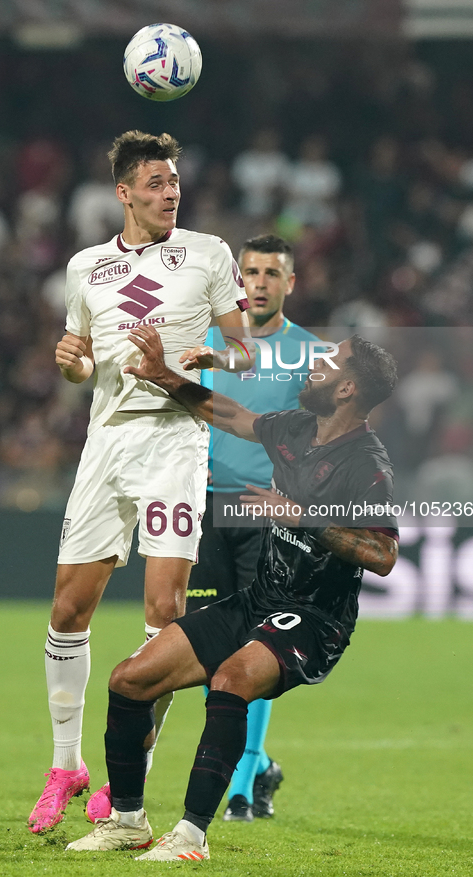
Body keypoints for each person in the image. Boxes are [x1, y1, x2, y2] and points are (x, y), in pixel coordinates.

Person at [64, 324, 399, 860]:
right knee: (129, 679)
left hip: (315, 619)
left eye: (329, 361)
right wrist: (164, 377)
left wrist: (307, 518)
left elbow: (383, 554)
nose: (315, 364)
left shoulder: (366, 463)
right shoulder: (296, 428)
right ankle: (127, 821)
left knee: (230, 681)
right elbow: (231, 416)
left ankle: (191, 836)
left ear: (347, 389)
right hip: (259, 601)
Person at [28, 130, 253, 834]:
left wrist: (210, 353)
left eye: (174, 182)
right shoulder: (86, 267)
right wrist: (69, 361)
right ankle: (66, 764)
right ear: (123, 191)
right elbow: (80, 365)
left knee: (165, 607)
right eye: (155, 183)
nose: (169, 192)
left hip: (175, 440)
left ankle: (133, 777)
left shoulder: (209, 253)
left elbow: (245, 351)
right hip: (107, 444)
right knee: (68, 608)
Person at [187, 233, 317, 822]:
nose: (260, 282)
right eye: (251, 272)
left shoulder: (312, 357)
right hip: (206, 508)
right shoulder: (209, 342)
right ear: (237, 280)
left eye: (272, 273)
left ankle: (243, 780)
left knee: (257, 646)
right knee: (203, 649)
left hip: (268, 514)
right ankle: (257, 766)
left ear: (291, 283)